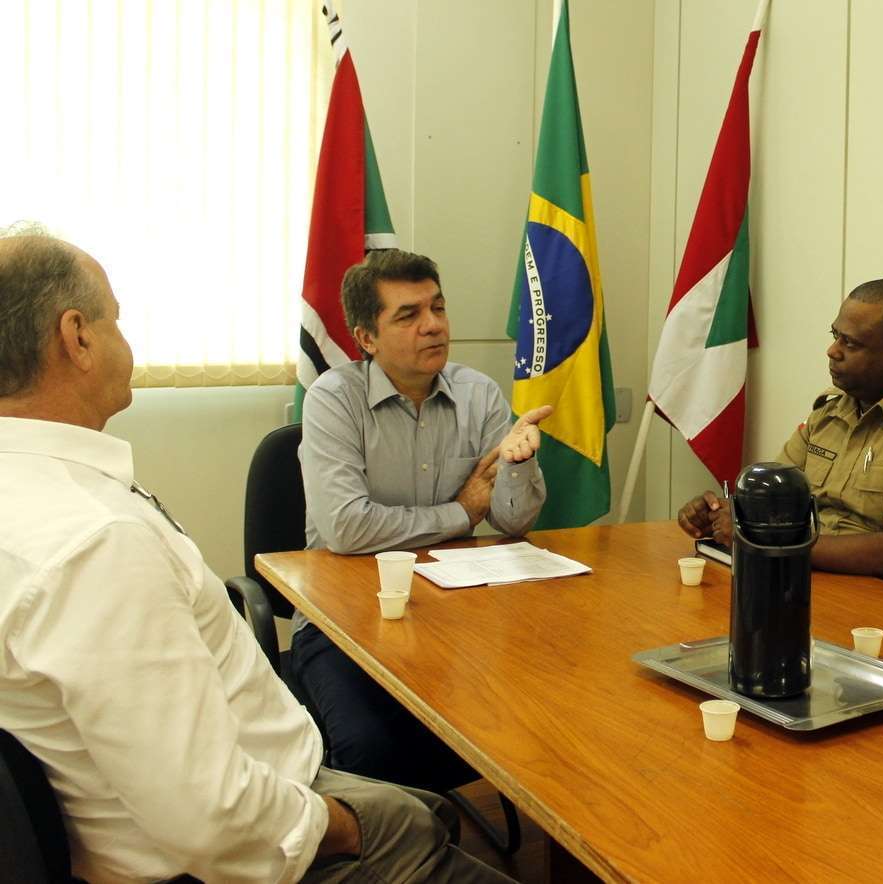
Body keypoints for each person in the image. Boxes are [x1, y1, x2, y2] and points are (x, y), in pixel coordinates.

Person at [0, 229, 510, 883]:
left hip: (227, 796)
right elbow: (211, 817)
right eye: (116, 320)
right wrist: (344, 827)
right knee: (419, 820)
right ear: (77, 338)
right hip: (264, 841)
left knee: (430, 811)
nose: (432, 326)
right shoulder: (97, 544)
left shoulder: (38, 501)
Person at [294, 248, 550, 793]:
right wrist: (461, 513)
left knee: (529, 717)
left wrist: (519, 464)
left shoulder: (478, 392)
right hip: (342, 621)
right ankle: (392, 851)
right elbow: (347, 528)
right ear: (366, 339)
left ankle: (427, 834)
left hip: (454, 617)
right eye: (408, 315)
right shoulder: (333, 401)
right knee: (369, 747)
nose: (433, 325)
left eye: (437, 307)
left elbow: (510, 521)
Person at [676, 278, 883, 603]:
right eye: (835, 336)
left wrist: (762, 542)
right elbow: (771, 498)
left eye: (851, 344)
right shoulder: (832, 410)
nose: (832, 351)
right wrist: (722, 512)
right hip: (825, 588)